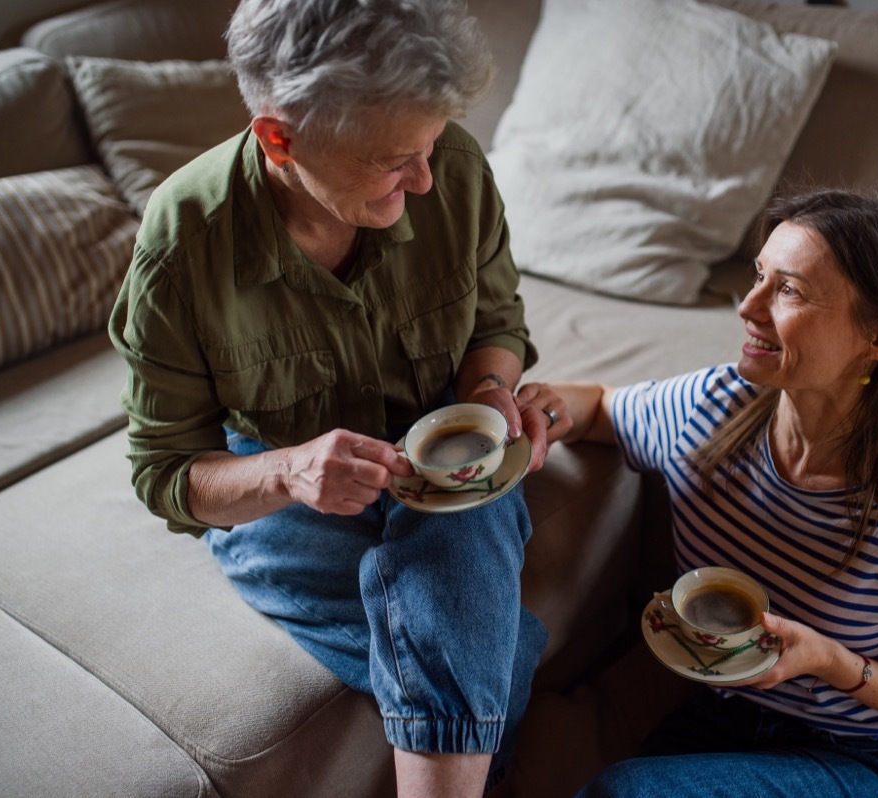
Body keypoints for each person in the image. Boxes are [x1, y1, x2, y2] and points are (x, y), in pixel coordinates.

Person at [107, 1, 568, 795]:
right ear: (279, 139)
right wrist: (287, 473)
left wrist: (490, 392)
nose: (426, 178)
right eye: (394, 160)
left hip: (442, 434)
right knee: (501, 651)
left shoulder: (454, 169)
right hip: (279, 482)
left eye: (430, 147)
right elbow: (167, 474)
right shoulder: (184, 244)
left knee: (462, 532)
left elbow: (496, 321)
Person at [521, 189, 878, 798]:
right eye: (758, 276)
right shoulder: (712, 408)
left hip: (867, 756)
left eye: (789, 290)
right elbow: (600, 407)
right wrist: (537, 410)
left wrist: (829, 660)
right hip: (723, 716)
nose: (747, 307)